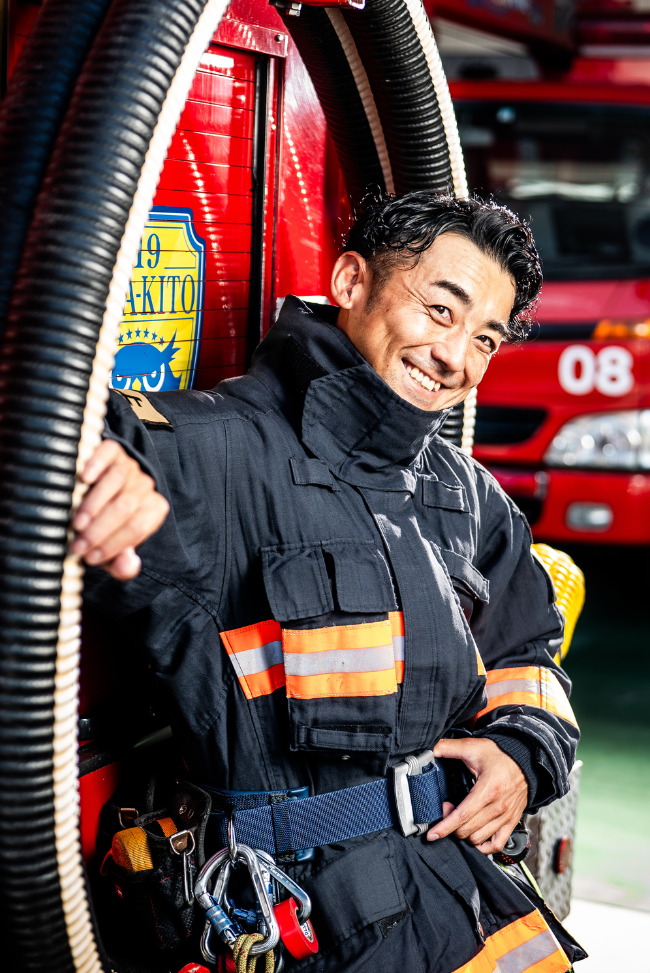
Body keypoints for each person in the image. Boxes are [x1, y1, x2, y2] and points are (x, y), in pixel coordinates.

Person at [78, 193, 585, 972]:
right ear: (351, 280)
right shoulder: (214, 454)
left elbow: (528, 655)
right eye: (440, 311)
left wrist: (523, 750)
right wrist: (90, 475)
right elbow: (65, 434)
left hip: (466, 899)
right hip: (305, 925)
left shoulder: (469, 496)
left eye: (484, 337)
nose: (456, 357)